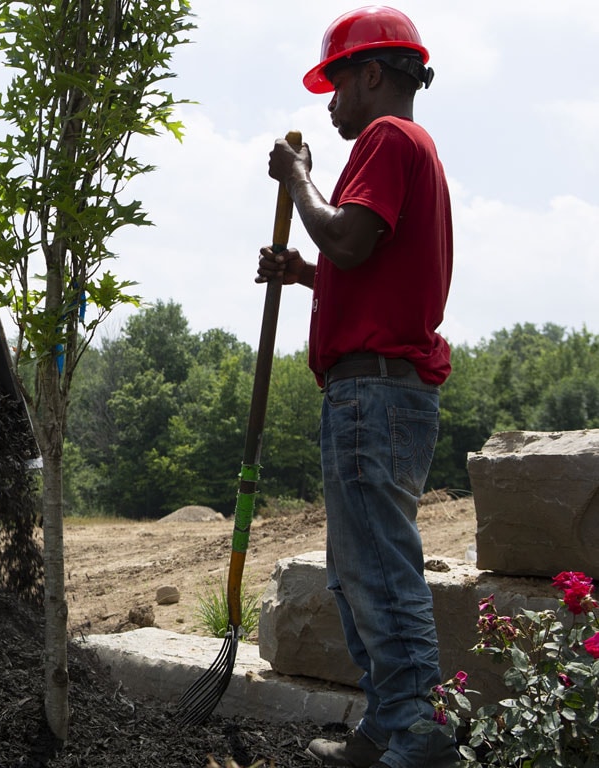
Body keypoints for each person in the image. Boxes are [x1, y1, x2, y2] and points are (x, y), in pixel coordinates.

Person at [256, 6, 457, 768]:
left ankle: (418, 733)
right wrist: (309, 276)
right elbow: (368, 266)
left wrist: (297, 177)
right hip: (376, 391)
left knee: (379, 571)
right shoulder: (411, 148)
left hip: (375, 396)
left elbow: (345, 234)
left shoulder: (387, 138)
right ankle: (388, 720)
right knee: (356, 572)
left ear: (373, 74)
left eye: (336, 85)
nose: (331, 103)